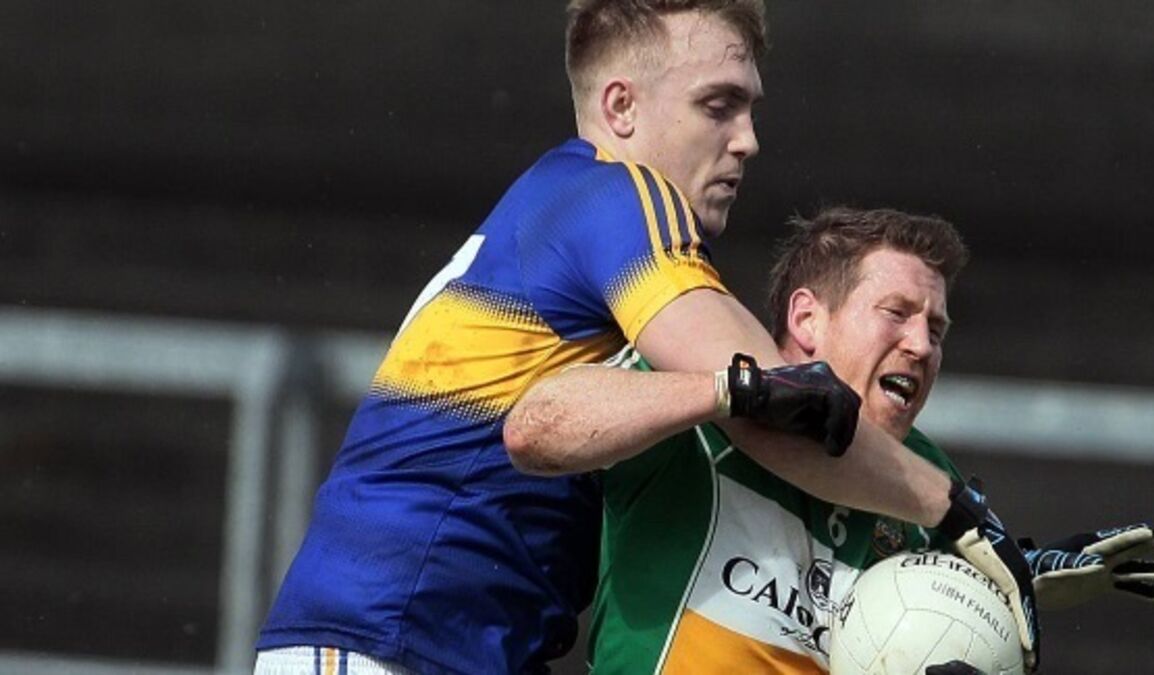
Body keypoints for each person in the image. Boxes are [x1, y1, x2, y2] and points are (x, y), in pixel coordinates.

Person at [256, 3, 1040, 673]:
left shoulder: (559, 200)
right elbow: (781, 406)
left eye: (750, 110)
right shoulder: (620, 196)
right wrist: (959, 517)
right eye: (718, 106)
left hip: (418, 637)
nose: (747, 140)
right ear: (622, 107)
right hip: (395, 636)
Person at [506, 207, 1154, 673]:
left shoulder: (924, 477)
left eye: (936, 329)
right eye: (897, 313)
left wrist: (1001, 588)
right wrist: (731, 393)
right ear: (807, 319)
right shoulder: (699, 401)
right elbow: (535, 427)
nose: (922, 345)